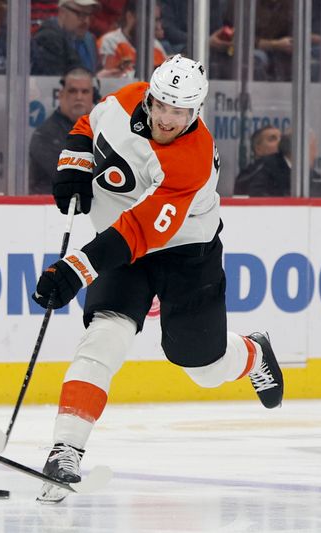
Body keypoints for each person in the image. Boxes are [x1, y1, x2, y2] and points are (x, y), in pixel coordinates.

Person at [32, 54, 284, 503]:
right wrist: (72, 166)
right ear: (150, 95)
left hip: (185, 252)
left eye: (179, 111)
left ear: (196, 112)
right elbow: (88, 127)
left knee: (201, 367)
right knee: (103, 338)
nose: (167, 118)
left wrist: (73, 270)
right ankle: (66, 448)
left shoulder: (191, 158)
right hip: (122, 244)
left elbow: (139, 231)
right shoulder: (126, 101)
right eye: (161, 104)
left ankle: (252, 351)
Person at [28, 67, 96, 194]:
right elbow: (69, 175)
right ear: (61, 95)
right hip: (50, 207)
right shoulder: (44, 134)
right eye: (73, 91)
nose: (79, 97)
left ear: (92, 96)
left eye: (85, 91)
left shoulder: (101, 130)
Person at [96, 0, 166, 78]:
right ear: (130, 16)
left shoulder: (156, 46)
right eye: (149, 19)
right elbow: (108, 81)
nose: (157, 26)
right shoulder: (110, 42)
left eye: (157, 20)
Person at [32, 0, 99, 75]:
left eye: (89, 15)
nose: (86, 21)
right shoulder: (48, 38)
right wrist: (95, 78)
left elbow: (97, 70)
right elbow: (55, 80)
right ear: (62, 13)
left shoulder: (89, 39)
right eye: (81, 14)